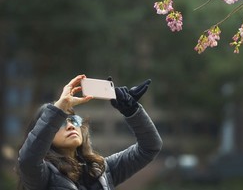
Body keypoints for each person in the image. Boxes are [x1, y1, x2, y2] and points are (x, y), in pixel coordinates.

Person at [15, 74, 162, 190]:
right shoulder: (42, 176)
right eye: (60, 123)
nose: (71, 126)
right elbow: (28, 159)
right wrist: (59, 108)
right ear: (47, 130)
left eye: (73, 120)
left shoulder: (102, 169)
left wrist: (132, 111)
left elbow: (150, 147)